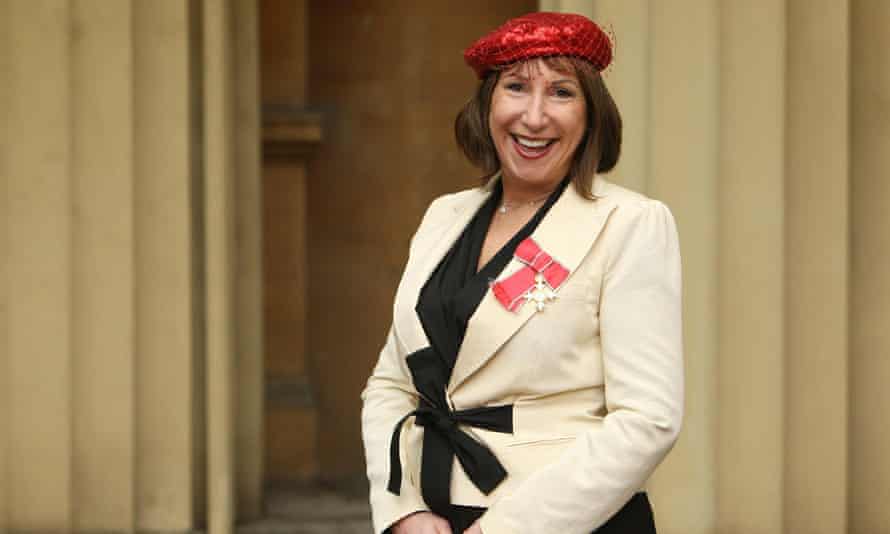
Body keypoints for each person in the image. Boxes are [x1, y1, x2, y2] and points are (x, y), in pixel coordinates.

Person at [361, 12, 683, 534]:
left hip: (563, 522)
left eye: (561, 93)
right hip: (435, 517)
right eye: (515, 88)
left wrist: (503, 530)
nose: (534, 117)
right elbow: (391, 383)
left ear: (591, 115)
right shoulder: (446, 216)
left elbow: (648, 421)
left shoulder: (630, 225)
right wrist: (403, 510)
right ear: (489, 104)